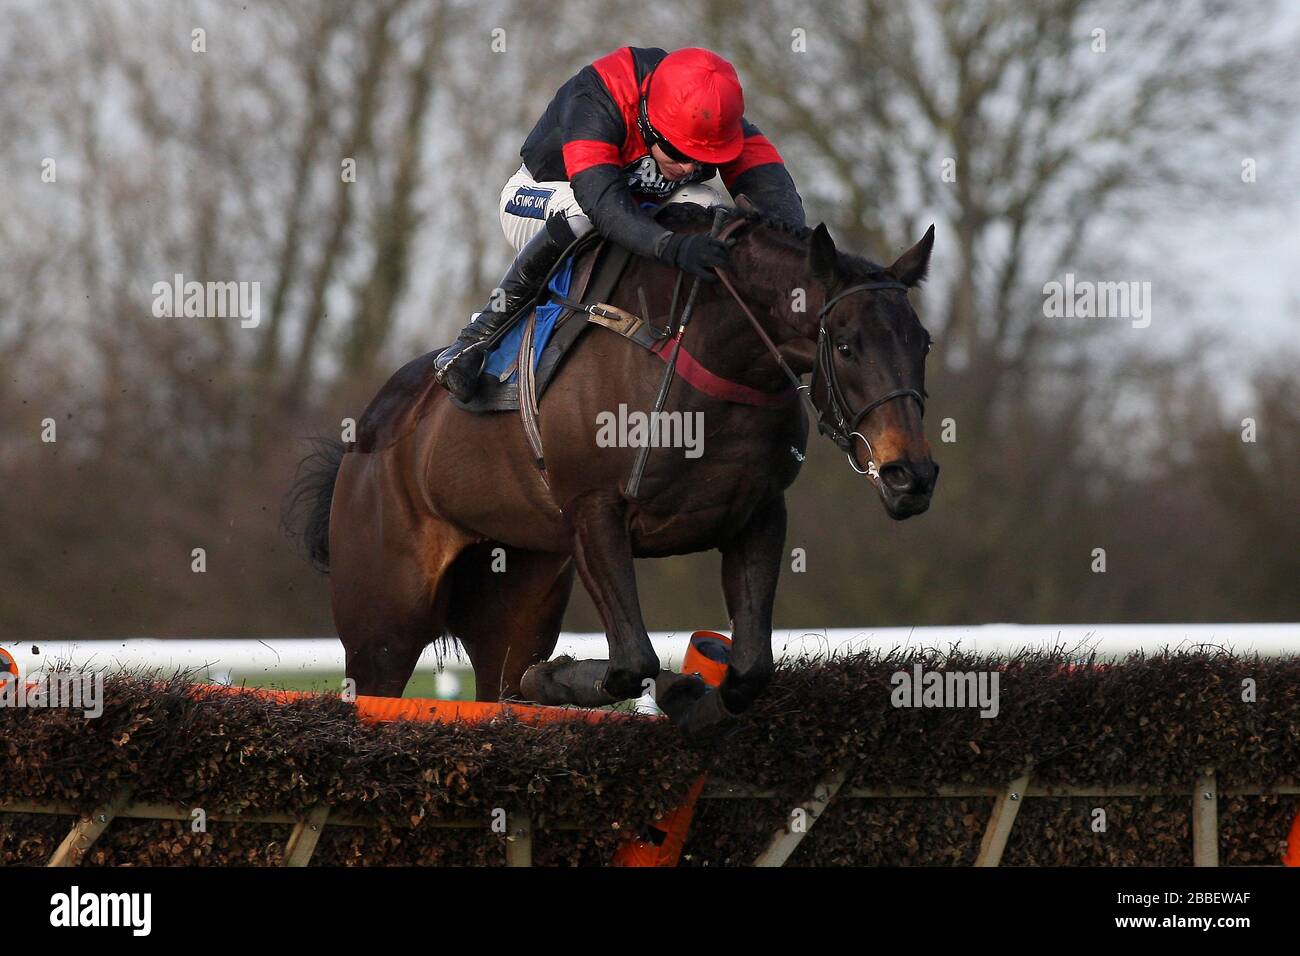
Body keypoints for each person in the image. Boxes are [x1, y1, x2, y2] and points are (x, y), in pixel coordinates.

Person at [434, 45, 807, 401]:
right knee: (583, 215)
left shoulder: (710, 109)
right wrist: (670, 246)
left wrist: (795, 270)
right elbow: (601, 203)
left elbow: (779, 205)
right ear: (648, 122)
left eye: (703, 159)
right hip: (543, 197)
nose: (691, 168)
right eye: (679, 152)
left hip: (632, 207)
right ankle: (476, 337)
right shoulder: (598, 96)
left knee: (708, 207)